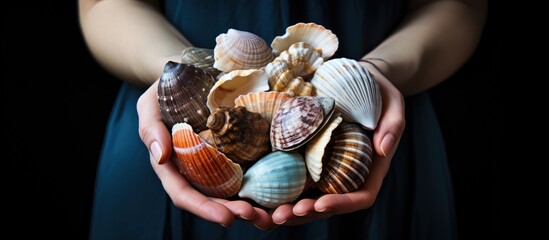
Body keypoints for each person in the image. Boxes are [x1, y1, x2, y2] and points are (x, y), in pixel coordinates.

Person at [79, 0, 486, 239]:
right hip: (177, 139)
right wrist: (176, 69)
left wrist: (378, 72)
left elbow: (461, 5)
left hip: (374, 133)